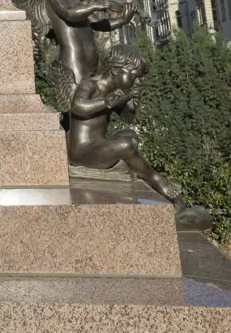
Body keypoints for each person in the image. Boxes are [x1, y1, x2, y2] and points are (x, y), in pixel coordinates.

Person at [67, 45, 211, 228]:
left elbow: (128, 118)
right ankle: (159, 182)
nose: (136, 82)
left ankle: (136, 172)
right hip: (82, 151)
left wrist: (130, 102)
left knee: (131, 136)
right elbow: (77, 106)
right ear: (116, 70)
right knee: (126, 144)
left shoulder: (115, 92)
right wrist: (107, 102)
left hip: (98, 145)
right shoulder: (90, 85)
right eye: (134, 76)